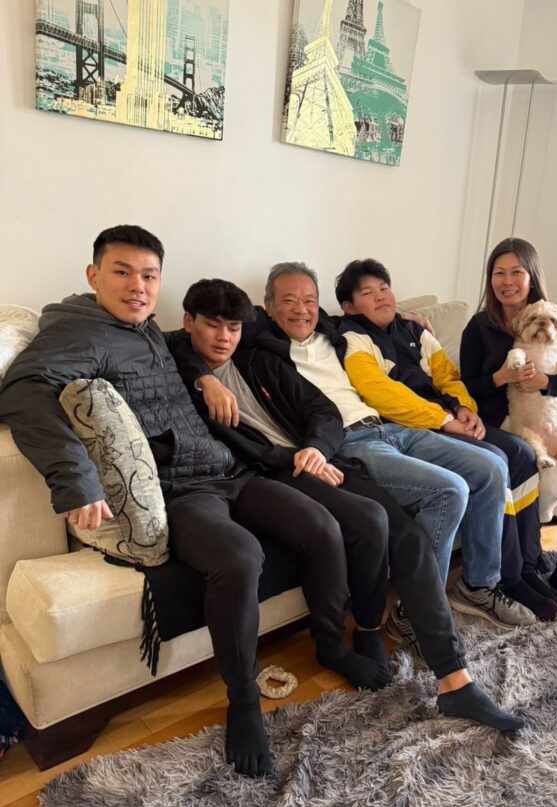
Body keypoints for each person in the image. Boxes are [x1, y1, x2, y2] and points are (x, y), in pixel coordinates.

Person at [0, 227, 379, 779]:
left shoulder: (149, 329)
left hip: (227, 471)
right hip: (178, 490)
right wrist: (74, 480)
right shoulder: (78, 331)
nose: (137, 286)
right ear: (93, 276)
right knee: (241, 558)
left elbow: (209, 342)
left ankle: (330, 646)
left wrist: (204, 380)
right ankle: (243, 701)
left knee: (321, 526)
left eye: (149, 275)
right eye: (122, 272)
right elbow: (21, 390)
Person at [175, 277, 528, 736]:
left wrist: (316, 449)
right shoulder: (178, 368)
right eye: (213, 326)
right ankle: (358, 635)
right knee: (367, 520)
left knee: (408, 535)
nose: (224, 336)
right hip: (273, 472)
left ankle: (454, 677)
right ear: (190, 323)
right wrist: (203, 379)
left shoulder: (257, 356)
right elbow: (171, 346)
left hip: (321, 456)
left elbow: (322, 410)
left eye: (233, 327)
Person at [335, 258, 557, 624]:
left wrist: (464, 408)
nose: (380, 297)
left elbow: (448, 376)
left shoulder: (414, 330)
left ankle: (505, 573)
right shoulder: (352, 339)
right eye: (367, 293)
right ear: (348, 307)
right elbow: (380, 393)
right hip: (411, 427)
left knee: (512, 456)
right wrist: (444, 420)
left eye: (384, 288)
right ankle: (490, 581)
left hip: (447, 418)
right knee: (496, 460)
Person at [459, 237, 557, 619]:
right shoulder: (479, 327)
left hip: (555, 419)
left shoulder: (550, 316)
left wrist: (547, 383)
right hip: (507, 423)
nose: (507, 281)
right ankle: (526, 564)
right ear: (490, 279)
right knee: (549, 480)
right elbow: (465, 388)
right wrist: (500, 378)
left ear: (531, 276)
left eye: (516, 272)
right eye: (499, 273)